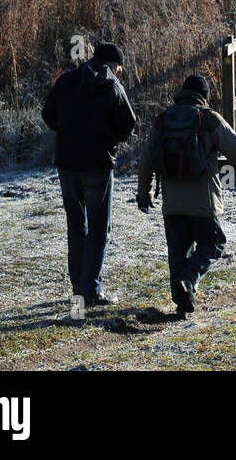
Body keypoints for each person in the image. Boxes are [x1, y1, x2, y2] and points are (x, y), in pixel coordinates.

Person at [136, 74, 236, 319]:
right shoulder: (208, 118)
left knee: (177, 253)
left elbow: (146, 159)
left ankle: (182, 303)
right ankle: (188, 282)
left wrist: (144, 193)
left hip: (172, 205)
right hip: (204, 203)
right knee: (214, 244)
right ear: (204, 96)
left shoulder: (163, 119)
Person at [41, 42, 137, 310]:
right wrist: (108, 140)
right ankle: (91, 291)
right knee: (99, 230)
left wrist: (66, 132)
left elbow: (47, 115)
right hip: (97, 164)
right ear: (112, 64)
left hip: (67, 165)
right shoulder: (111, 84)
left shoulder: (66, 80)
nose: (120, 72)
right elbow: (128, 123)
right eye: (119, 68)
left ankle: (78, 289)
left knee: (76, 226)